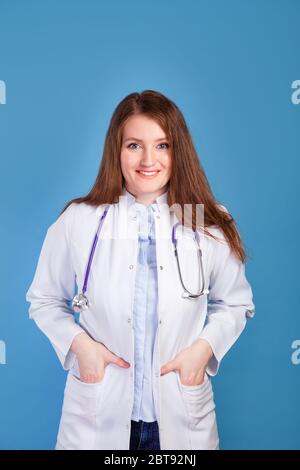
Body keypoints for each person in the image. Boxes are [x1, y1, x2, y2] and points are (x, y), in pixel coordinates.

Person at [26, 89, 255, 450]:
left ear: (179, 151)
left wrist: (203, 350)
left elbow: (235, 303)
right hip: (97, 414)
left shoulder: (210, 222)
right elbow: (44, 300)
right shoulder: (79, 221)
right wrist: (81, 346)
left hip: (182, 414)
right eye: (134, 145)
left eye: (162, 145)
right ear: (115, 151)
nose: (148, 159)